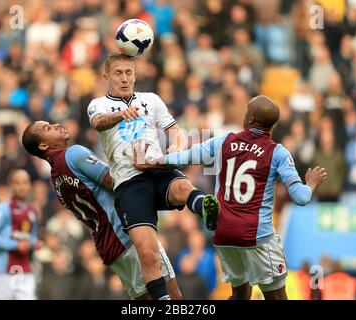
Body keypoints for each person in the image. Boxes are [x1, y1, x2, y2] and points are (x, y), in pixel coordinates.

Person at [134, 95, 327, 300]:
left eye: (246, 111)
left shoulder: (224, 141)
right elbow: (301, 197)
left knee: (240, 296)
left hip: (224, 234)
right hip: (257, 237)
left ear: (251, 119)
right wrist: (312, 182)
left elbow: (185, 157)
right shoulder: (277, 153)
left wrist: (153, 161)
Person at [87, 53, 219, 300]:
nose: (125, 78)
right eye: (118, 73)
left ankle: (205, 207)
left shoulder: (151, 99)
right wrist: (120, 114)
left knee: (182, 186)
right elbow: (98, 122)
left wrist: (176, 147)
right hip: (129, 184)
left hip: (157, 169)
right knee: (148, 254)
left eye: (129, 72)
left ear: (135, 74)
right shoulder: (98, 104)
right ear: (106, 77)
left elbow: (174, 130)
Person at [21, 120, 181, 300]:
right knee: (172, 297)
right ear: (43, 145)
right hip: (131, 232)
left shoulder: (56, 180)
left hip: (109, 248)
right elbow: (117, 181)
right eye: (47, 128)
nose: (56, 125)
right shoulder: (73, 154)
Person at [0, 169, 41, 300]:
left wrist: (34, 243)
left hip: (24, 269)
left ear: (29, 185)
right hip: (3, 270)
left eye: (25, 182)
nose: (21, 187)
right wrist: (15, 245)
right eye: (17, 183)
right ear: (11, 185)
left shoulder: (33, 212)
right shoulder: (4, 208)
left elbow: (30, 237)